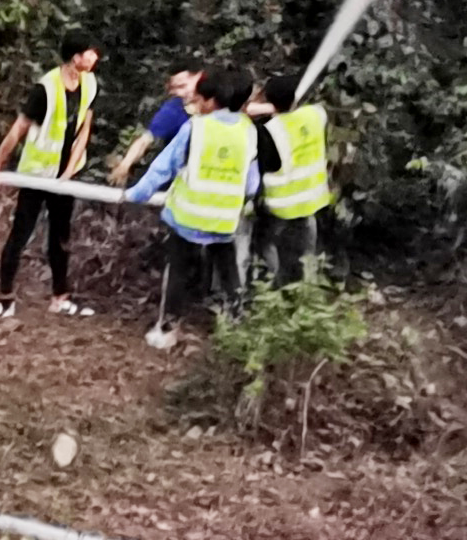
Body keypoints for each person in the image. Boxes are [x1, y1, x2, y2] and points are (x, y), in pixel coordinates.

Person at [126, 63, 252, 349]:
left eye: (199, 99)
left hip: (188, 218)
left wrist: (136, 194)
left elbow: (162, 168)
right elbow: (251, 182)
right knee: (229, 271)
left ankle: (167, 330)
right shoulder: (248, 131)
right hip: (224, 220)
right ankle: (235, 326)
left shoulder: (195, 128)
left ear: (211, 100)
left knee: (178, 272)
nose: (195, 103)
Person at [0, 33, 100, 320]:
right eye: (90, 52)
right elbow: (18, 129)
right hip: (36, 174)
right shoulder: (45, 89)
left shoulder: (90, 84)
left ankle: (61, 297)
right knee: (21, 234)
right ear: (76, 57)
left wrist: (71, 169)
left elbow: (85, 127)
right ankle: (5, 298)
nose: (95, 57)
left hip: (64, 176)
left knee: (61, 237)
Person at [256, 80, 332, 286]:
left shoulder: (270, 130)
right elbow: (312, 107)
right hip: (313, 196)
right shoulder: (316, 115)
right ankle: (309, 281)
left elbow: (265, 165)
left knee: (265, 241)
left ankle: (274, 284)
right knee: (307, 238)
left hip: (282, 203)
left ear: (269, 102)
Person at [106, 63, 200, 186]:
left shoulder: (223, 105)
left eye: (183, 86)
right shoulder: (173, 110)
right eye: (174, 88)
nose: (179, 93)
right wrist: (124, 165)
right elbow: (145, 139)